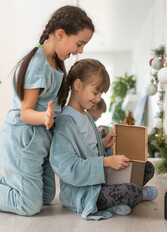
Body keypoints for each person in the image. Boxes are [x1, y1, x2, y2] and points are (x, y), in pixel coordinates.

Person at [0, 5, 94, 216]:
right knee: (28, 205)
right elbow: (25, 112)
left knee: (46, 196)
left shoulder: (56, 63)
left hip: (41, 141)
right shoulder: (36, 63)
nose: (80, 51)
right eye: (79, 44)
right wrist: (45, 116)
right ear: (60, 34)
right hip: (23, 140)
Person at [49, 59, 157, 220]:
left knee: (147, 167)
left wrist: (105, 145)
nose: (98, 98)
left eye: (100, 94)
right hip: (83, 193)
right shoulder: (66, 122)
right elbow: (65, 167)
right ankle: (137, 194)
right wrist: (105, 162)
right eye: (95, 92)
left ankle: (126, 197)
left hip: (99, 182)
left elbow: (92, 151)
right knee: (131, 192)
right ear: (78, 85)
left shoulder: (86, 116)